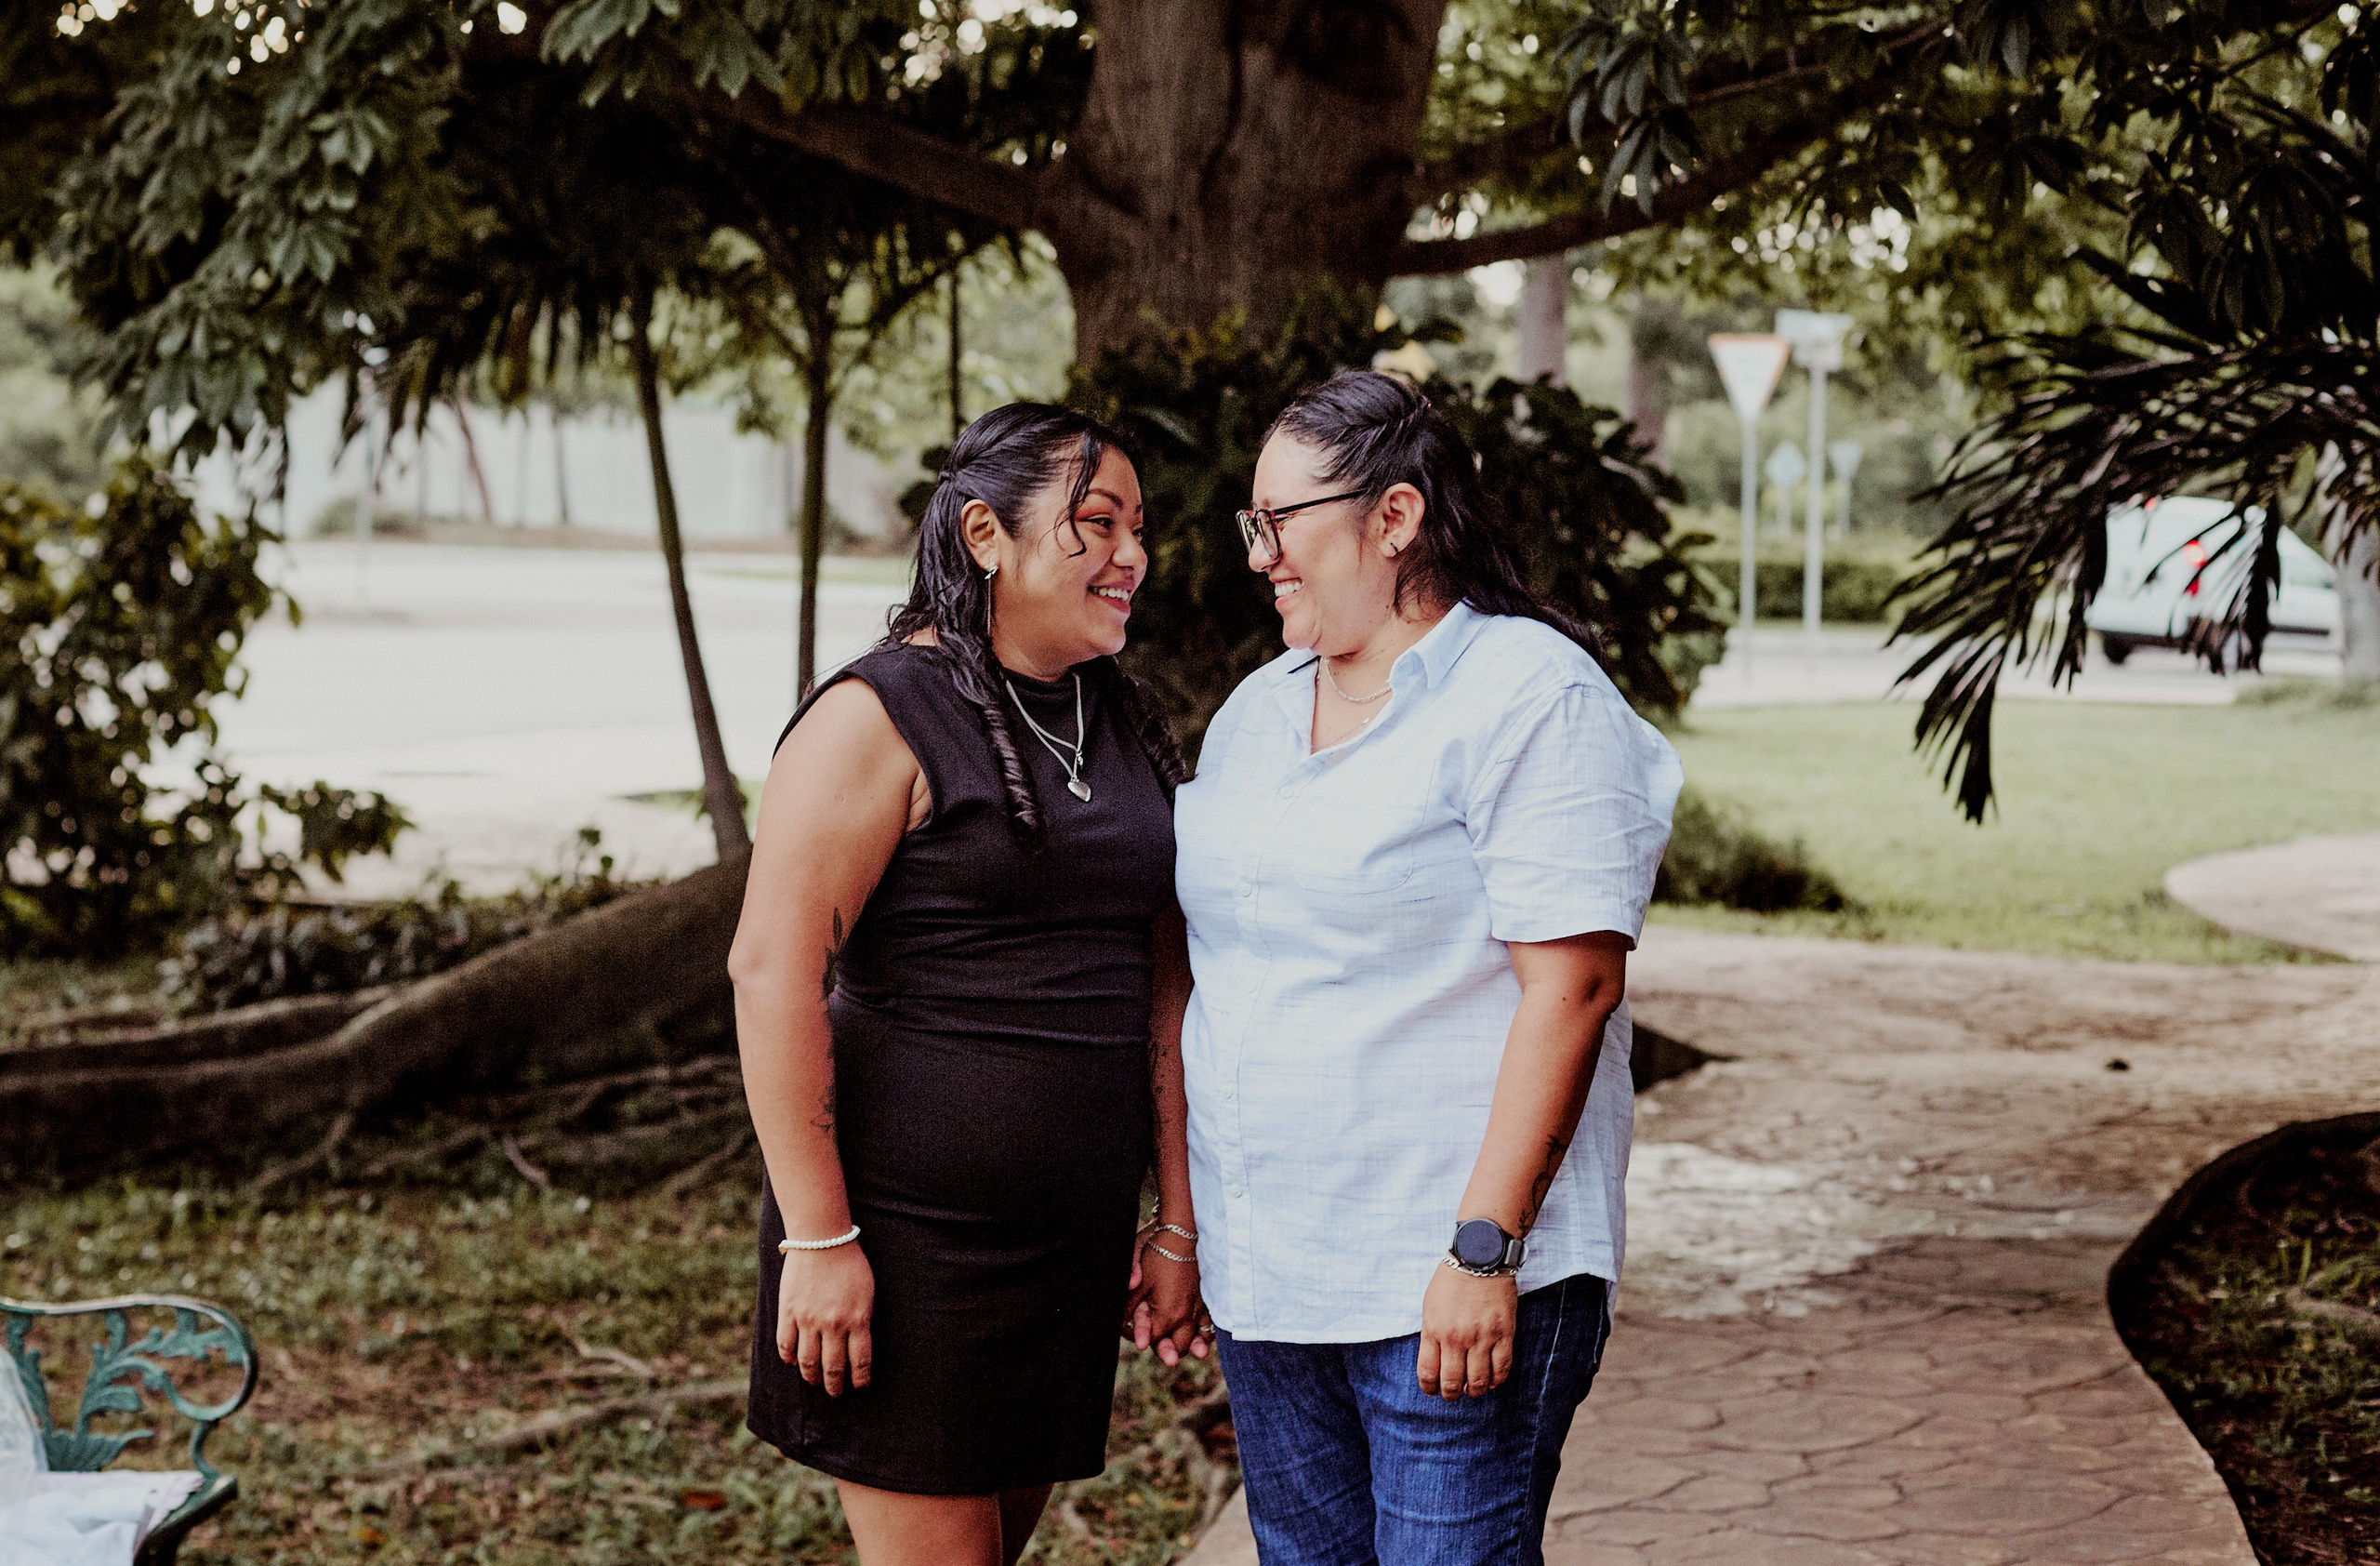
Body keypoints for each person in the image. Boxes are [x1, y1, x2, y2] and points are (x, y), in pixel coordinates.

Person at [1173, 369, 1682, 1564]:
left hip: (1442, 1282)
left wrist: (1482, 1250)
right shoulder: (1255, 710)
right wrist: (1193, 1232)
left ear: (1392, 518)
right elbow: (1213, 965)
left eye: (1279, 524)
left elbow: (1575, 986)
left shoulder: (1531, 695)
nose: (1261, 558)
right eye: (1256, 528)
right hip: (1276, 1278)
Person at [728, 403, 1205, 1566]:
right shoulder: (876, 715)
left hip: (1068, 1247)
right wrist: (819, 1236)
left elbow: (1166, 986)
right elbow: (770, 969)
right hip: (906, 1248)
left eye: (1139, 528)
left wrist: (1177, 1224)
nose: (1131, 555)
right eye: (1095, 524)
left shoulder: (1122, 721)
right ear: (986, 533)